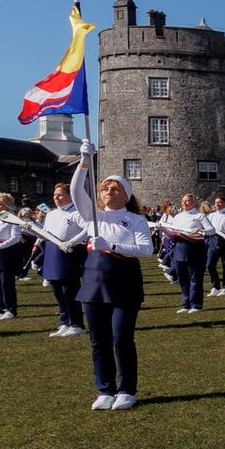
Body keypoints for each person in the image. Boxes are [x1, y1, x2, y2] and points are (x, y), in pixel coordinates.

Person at [71, 140, 152, 410]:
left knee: (121, 337)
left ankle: (127, 389)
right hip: (94, 282)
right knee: (99, 340)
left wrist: (112, 246)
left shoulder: (136, 219)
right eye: (104, 187)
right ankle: (104, 389)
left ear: (126, 195)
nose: (108, 191)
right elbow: (75, 191)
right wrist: (84, 162)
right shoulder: (92, 215)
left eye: (114, 188)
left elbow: (145, 250)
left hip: (125, 282)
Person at [41, 182, 89, 337]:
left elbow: (88, 229)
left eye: (60, 195)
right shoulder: (51, 214)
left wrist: (72, 242)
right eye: (55, 195)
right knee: (56, 289)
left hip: (70, 253)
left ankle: (76, 324)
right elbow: (46, 233)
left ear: (70, 196)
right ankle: (64, 322)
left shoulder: (77, 212)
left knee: (69, 290)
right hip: (53, 253)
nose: (56, 198)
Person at [166, 194, 212, 313]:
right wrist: (163, 229)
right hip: (179, 250)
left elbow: (211, 230)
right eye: (183, 201)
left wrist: (200, 232)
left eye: (187, 201)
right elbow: (172, 235)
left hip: (195, 250)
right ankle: (185, 304)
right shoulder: (177, 217)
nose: (184, 203)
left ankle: (196, 305)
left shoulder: (199, 216)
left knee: (195, 278)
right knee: (182, 279)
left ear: (194, 202)